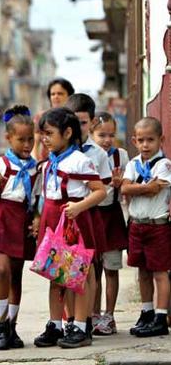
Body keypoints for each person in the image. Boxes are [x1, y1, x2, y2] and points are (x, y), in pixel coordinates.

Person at [33, 107, 106, 349]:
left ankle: (82, 328)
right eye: (42, 134)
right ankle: (56, 324)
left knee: (78, 277)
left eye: (49, 133)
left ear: (67, 133)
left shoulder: (80, 161)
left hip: (73, 222)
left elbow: (100, 191)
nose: (44, 138)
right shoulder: (48, 162)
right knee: (55, 276)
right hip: (52, 220)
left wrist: (79, 206)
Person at [0, 105, 38, 350]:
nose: (27, 144)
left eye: (30, 139)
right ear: (8, 138)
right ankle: (0, 325)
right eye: (21, 139)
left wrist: (36, 219)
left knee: (16, 274)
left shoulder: (36, 168)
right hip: (1, 220)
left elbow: (35, 200)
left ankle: (13, 327)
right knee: (1, 270)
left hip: (22, 221)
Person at [66, 93, 113, 334]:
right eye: (73, 121)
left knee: (89, 269)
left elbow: (103, 189)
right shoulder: (60, 148)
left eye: (83, 122)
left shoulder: (98, 154)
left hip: (89, 216)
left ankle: (87, 320)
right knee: (65, 270)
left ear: (92, 123)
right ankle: (70, 320)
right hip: (65, 217)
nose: (77, 127)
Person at [121, 117, 171, 337]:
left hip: (157, 226)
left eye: (150, 140)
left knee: (160, 272)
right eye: (140, 140)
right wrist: (145, 187)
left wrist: (135, 187)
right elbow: (124, 189)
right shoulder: (133, 164)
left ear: (161, 140)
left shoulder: (165, 165)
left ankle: (161, 316)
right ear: (134, 140)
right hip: (137, 226)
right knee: (141, 271)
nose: (145, 145)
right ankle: (147, 311)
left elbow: (155, 190)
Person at [90, 112, 129, 335]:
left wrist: (119, 185)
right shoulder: (88, 156)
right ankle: (94, 313)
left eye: (111, 135)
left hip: (112, 216)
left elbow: (126, 189)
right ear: (91, 135)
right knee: (93, 271)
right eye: (101, 135)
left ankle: (109, 316)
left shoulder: (120, 156)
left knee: (111, 269)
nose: (106, 140)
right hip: (93, 216)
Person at [32, 78, 75, 161]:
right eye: (53, 94)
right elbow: (35, 143)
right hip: (46, 164)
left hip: (71, 163)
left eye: (60, 93)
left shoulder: (74, 118)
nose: (56, 97)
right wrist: (36, 163)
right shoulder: (41, 117)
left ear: (69, 96)